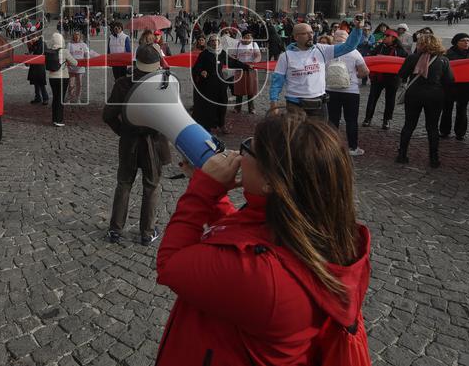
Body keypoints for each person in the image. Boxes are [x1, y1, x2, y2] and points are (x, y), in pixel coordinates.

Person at [155, 111, 372, 365]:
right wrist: (216, 199)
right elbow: (248, 235)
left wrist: (202, 191)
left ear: (271, 182)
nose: (240, 153)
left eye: (249, 148)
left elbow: (170, 264)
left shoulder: (261, 275)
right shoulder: (312, 224)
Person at [103, 44, 171, 246]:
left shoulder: (122, 83)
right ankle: (147, 232)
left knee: (124, 184)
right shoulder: (163, 85)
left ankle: (115, 230)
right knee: (151, 186)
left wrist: (123, 131)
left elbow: (107, 115)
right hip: (153, 143)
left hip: (129, 141)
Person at [269, 17, 364, 120]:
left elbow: (348, 47)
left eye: (311, 32)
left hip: (319, 105)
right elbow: (277, 81)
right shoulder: (286, 56)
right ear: (296, 37)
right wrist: (274, 103)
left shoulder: (321, 49)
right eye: (306, 33)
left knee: (319, 135)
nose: (311, 36)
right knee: (296, 135)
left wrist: (358, 28)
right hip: (295, 105)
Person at [396, 33, 453, 167]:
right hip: (435, 95)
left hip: (414, 94)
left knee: (409, 125)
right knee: (432, 127)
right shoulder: (443, 60)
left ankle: (402, 155)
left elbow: (402, 74)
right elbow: (449, 80)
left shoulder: (412, 58)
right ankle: (434, 158)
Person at [191, 35, 251, 133]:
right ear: (209, 43)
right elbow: (196, 68)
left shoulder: (222, 53)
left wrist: (246, 66)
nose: (215, 43)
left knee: (223, 103)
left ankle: (221, 124)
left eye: (217, 41)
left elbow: (232, 62)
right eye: (213, 41)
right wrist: (202, 72)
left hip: (220, 83)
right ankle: (208, 125)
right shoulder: (204, 54)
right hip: (208, 84)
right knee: (209, 106)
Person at [326, 29, 370, 156]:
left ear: (334, 38)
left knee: (333, 119)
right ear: (348, 39)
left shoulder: (328, 51)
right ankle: (353, 147)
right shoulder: (354, 52)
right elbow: (365, 72)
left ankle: (331, 146)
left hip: (330, 89)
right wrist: (354, 75)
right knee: (351, 120)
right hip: (350, 91)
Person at [362, 29, 407, 129]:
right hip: (378, 78)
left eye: (387, 36)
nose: (384, 37)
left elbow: (405, 63)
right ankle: (367, 118)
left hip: (393, 79)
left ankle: (387, 120)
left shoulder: (400, 51)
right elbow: (371, 56)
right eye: (384, 36)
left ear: (393, 38)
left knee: (390, 100)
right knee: (372, 98)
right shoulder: (379, 47)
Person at [440, 33, 469, 141]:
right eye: (463, 40)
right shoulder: (448, 53)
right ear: (456, 42)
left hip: (466, 86)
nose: (466, 42)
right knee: (447, 109)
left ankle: (460, 133)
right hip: (450, 85)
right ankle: (444, 131)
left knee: (462, 110)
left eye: (468, 40)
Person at [47, 32, 76, 127]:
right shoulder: (64, 51)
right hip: (63, 77)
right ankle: (58, 120)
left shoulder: (49, 51)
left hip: (52, 78)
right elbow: (75, 63)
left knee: (55, 98)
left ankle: (54, 118)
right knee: (60, 99)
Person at [230, 32, 262, 114]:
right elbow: (232, 56)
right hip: (240, 68)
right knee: (239, 89)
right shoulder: (237, 45)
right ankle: (237, 108)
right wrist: (235, 58)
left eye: (250, 36)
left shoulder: (254, 44)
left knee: (250, 89)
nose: (249, 38)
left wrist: (254, 62)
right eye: (247, 36)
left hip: (251, 69)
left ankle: (251, 108)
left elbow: (258, 56)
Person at [25, 34, 49, 105]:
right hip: (34, 65)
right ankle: (38, 97)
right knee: (35, 82)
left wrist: (30, 55)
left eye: (32, 38)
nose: (31, 40)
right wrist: (29, 46)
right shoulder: (35, 43)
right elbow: (31, 51)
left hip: (39, 66)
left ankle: (45, 98)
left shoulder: (41, 44)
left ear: (36, 37)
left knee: (41, 83)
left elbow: (38, 54)